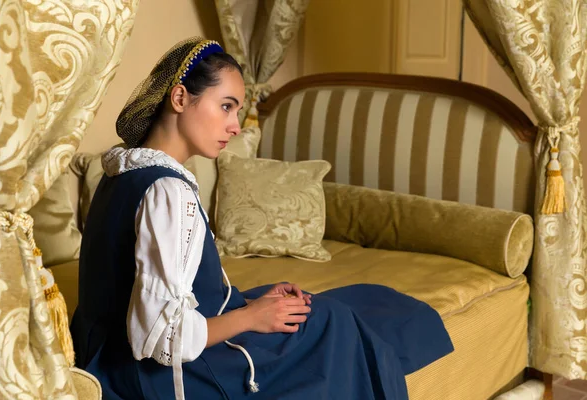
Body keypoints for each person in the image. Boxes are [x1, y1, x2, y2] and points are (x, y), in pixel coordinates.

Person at [71, 37, 454, 400]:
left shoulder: (119, 173)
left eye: (237, 110)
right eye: (226, 106)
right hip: (163, 382)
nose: (236, 125)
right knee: (333, 322)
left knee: (334, 306)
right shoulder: (168, 192)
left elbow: (143, 293)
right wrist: (251, 316)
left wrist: (249, 305)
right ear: (180, 98)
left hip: (108, 363)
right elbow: (161, 338)